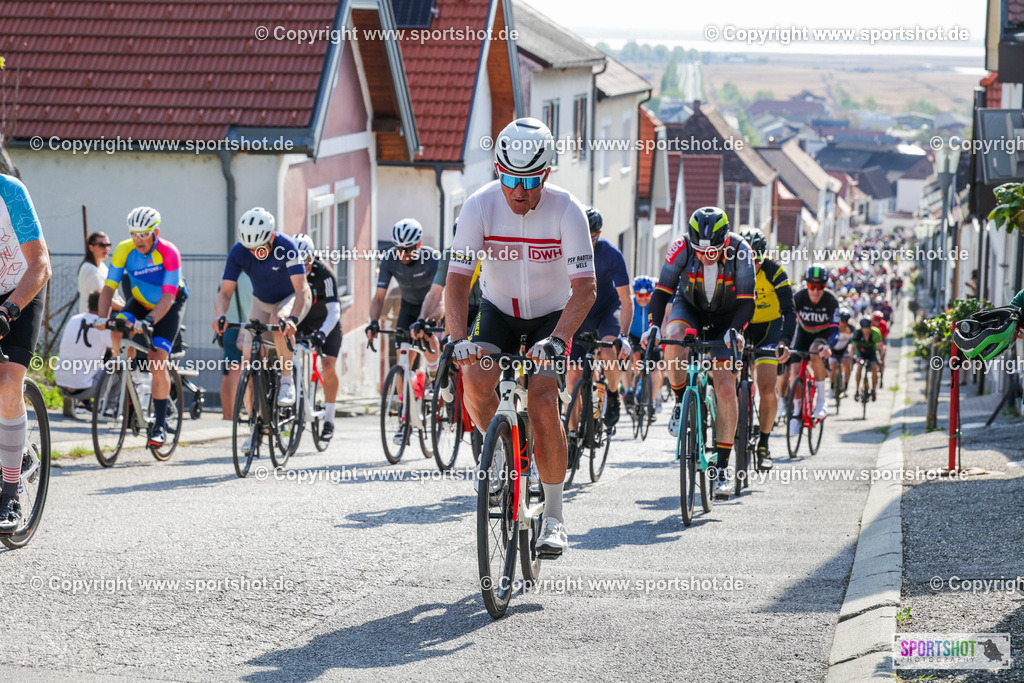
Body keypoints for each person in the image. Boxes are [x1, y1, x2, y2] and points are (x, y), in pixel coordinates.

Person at [445, 117, 596, 558]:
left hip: (552, 317)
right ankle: (499, 456)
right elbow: (456, 281)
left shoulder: (567, 210)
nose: (518, 190)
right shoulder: (479, 206)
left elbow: (585, 288)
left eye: (529, 180)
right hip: (498, 312)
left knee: (544, 399)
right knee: (474, 377)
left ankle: (554, 518)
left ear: (546, 173)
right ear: (498, 169)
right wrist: (458, 339)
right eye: (508, 177)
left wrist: (560, 338)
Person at [641, 206, 755, 499]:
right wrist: (653, 327)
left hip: (726, 317)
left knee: (726, 387)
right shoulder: (680, 247)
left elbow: (746, 302)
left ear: (725, 241)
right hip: (689, 307)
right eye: (700, 251)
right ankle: (681, 401)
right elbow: (662, 293)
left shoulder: (742, 252)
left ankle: (722, 469)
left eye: (714, 251)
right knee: (673, 339)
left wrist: (735, 331)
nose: (706, 256)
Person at [97, 207, 188, 448]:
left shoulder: (169, 252)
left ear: (155, 232)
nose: (138, 240)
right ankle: (130, 374)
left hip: (168, 304)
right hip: (139, 301)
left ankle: (159, 425)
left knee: (157, 358)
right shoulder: (124, 249)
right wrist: (101, 318)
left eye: (144, 234)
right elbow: (108, 288)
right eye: (134, 234)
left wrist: (148, 321)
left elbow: (168, 297)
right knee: (117, 329)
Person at [213, 207, 310, 414]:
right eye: (250, 249)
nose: (255, 253)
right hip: (261, 301)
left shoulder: (287, 246)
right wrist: (220, 315)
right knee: (248, 360)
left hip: (291, 297)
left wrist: (292, 319)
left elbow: (301, 290)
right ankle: (254, 424)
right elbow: (225, 293)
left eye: (260, 248)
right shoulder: (238, 251)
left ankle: (286, 381)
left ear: (271, 237)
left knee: (278, 321)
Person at [0, 174, 52, 533]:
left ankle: (11, 490)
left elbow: (41, 264)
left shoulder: (10, 192)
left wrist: (9, 311)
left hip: (21, 291)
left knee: (7, 383)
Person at [565, 207, 631, 429]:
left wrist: (623, 335)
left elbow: (626, 299)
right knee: (572, 376)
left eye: (591, 237)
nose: (586, 241)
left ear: (599, 234)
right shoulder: (565, 250)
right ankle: (572, 435)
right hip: (578, 312)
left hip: (605, 311)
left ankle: (612, 394)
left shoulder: (611, 254)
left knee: (608, 350)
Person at [740, 227, 794, 471]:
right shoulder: (730, 268)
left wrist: (784, 340)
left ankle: (763, 443)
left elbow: (789, 311)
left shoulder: (774, 271)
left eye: (757, 260)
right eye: (749, 260)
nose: (753, 265)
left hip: (769, 329)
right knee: (725, 379)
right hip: (741, 326)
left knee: (767, 387)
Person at [366, 219, 440, 360]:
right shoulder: (389, 259)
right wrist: (374, 322)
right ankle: (405, 377)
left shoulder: (431, 259)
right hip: (408, 306)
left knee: (426, 337)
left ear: (418, 244)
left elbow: (439, 298)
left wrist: (424, 320)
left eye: (409, 248)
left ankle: (433, 374)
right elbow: (379, 297)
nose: (403, 253)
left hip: (431, 306)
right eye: (399, 248)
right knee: (402, 359)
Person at [294, 234, 340, 441]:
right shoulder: (289, 271)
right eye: (298, 263)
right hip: (301, 319)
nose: (302, 268)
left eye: (306, 262)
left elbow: (334, 310)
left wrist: (322, 332)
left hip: (326, 322)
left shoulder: (325, 274)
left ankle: (329, 419)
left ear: (312, 258)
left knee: (328, 365)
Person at [787, 264, 839, 434]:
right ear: (806, 285)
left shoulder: (831, 301)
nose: (816, 291)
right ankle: (797, 410)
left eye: (820, 287)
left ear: (825, 286)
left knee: (816, 350)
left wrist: (829, 345)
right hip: (803, 333)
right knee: (794, 372)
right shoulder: (800, 297)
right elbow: (788, 320)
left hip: (822, 336)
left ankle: (822, 401)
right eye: (812, 286)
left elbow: (835, 328)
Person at [54, 291, 112, 393]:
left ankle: (80, 404)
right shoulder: (102, 326)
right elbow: (119, 350)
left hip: (60, 381)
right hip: (83, 387)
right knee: (119, 370)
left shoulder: (74, 318)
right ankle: (109, 408)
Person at [626, 275, 662, 414]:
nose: (642, 298)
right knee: (634, 356)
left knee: (656, 370)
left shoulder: (655, 304)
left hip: (652, 337)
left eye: (646, 295)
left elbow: (663, 322)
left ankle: (652, 402)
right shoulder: (631, 303)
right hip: (634, 336)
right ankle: (636, 379)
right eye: (639, 295)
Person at [78, 231, 123, 314]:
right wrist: (125, 308)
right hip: (93, 318)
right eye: (102, 245)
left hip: (109, 314)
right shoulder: (89, 269)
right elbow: (101, 299)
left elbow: (114, 295)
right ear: (91, 247)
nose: (106, 248)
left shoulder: (102, 266)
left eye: (108, 245)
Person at [852, 317, 884, 401]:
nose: (866, 331)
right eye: (864, 329)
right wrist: (853, 358)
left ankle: (873, 390)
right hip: (861, 352)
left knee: (874, 369)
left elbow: (880, 347)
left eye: (867, 328)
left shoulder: (876, 332)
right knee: (859, 367)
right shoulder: (857, 333)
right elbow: (853, 347)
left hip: (872, 352)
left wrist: (880, 359)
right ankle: (857, 390)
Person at [828, 308, 855, 399]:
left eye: (846, 321)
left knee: (848, 364)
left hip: (844, 350)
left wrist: (852, 354)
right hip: (833, 350)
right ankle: (831, 388)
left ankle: (846, 387)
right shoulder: (832, 327)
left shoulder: (851, 329)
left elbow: (854, 343)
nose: (843, 323)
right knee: (833, 365)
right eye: (842, 321)